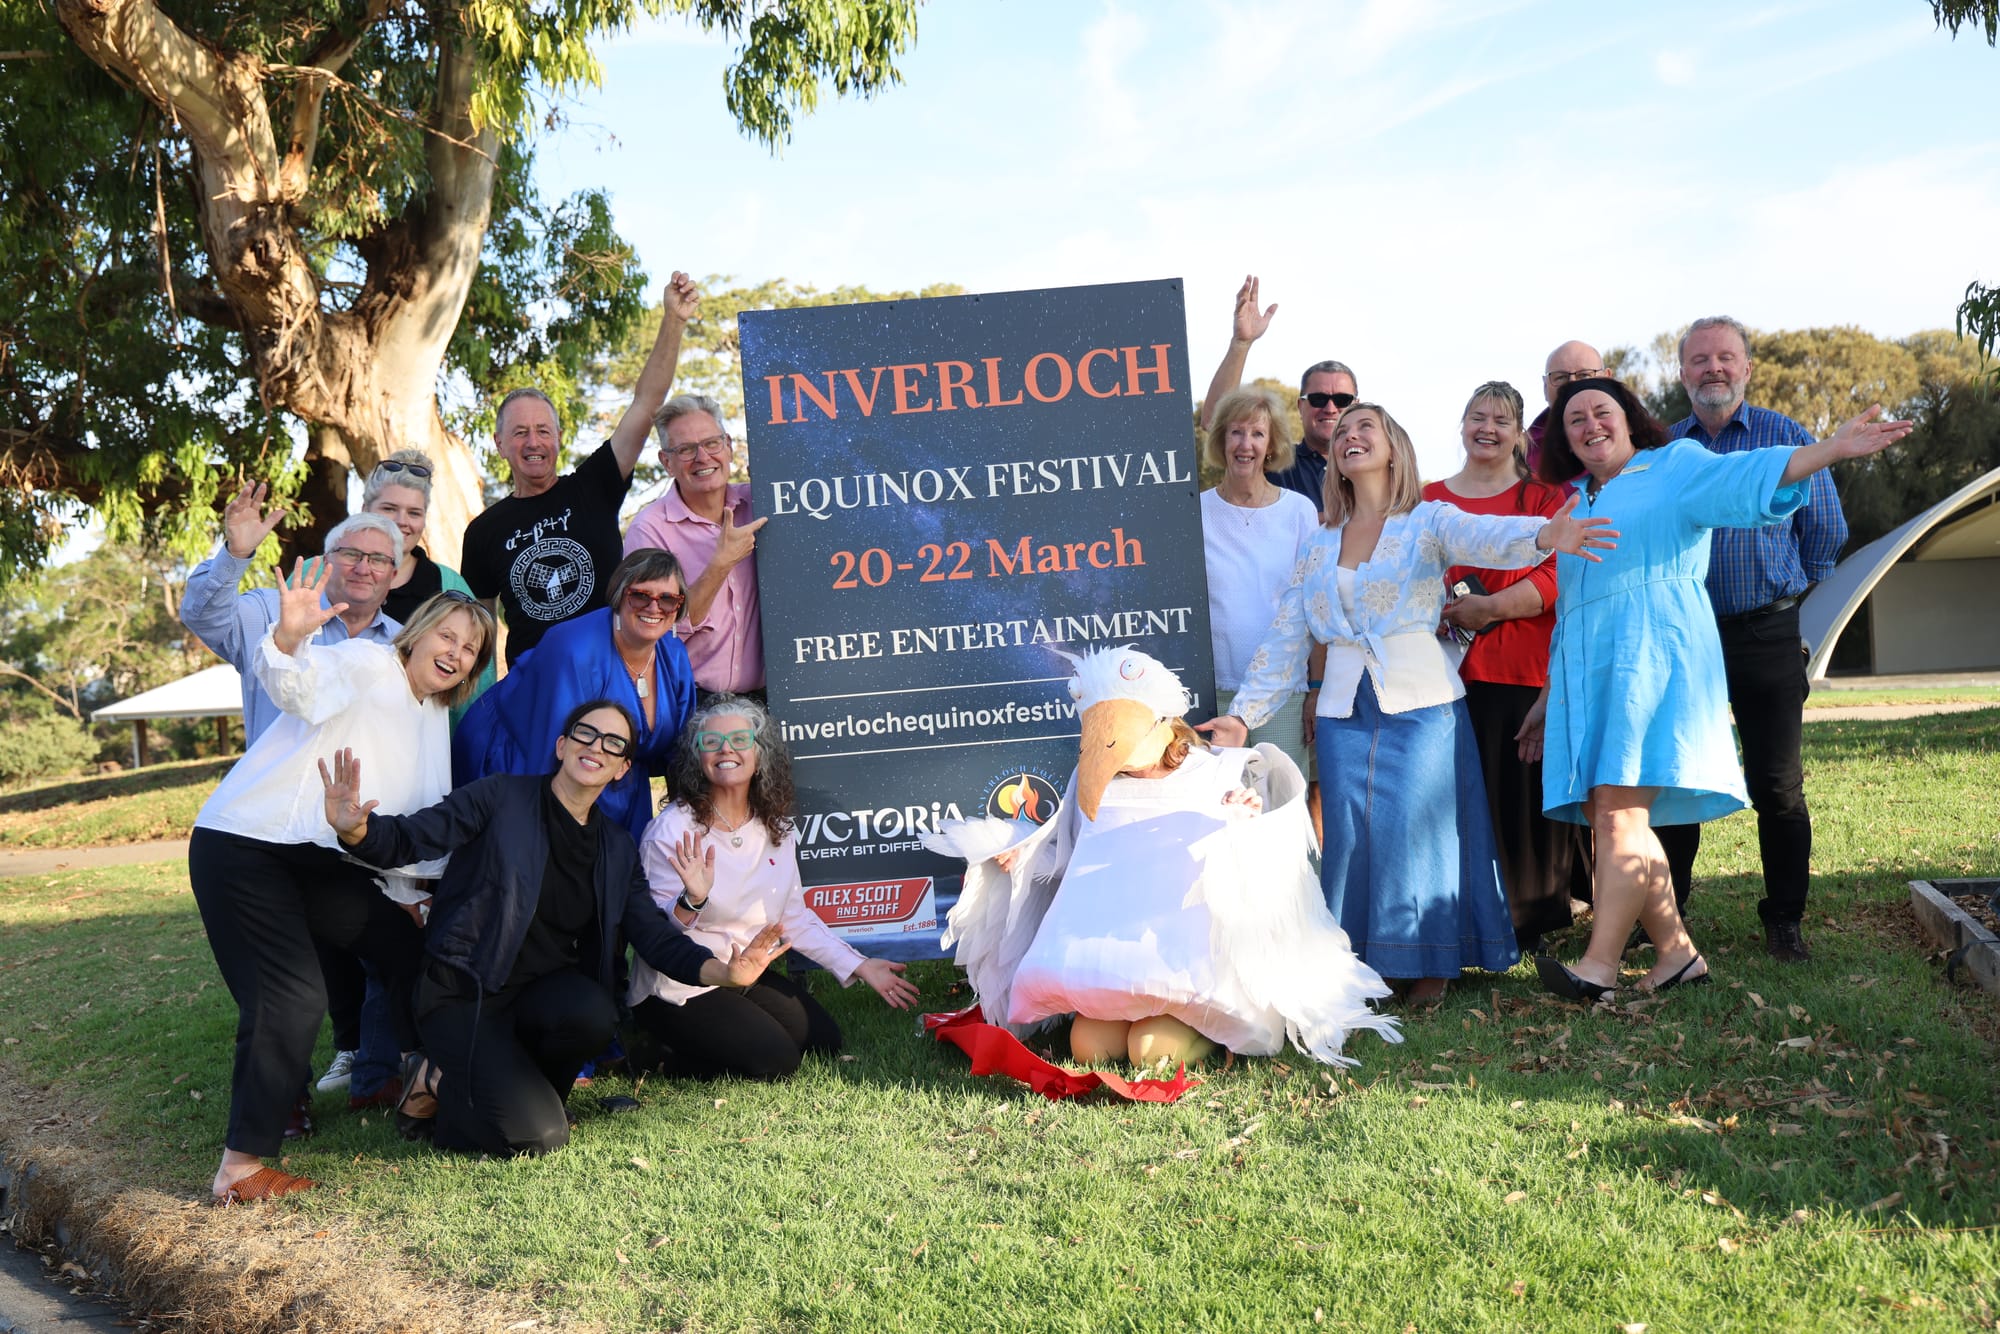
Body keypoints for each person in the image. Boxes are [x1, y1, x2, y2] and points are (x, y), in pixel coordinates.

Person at [1204, 404, 1615, 1007]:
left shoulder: (1427, 520)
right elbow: (1287, 634)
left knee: (1418, 836)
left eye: (1364, 427)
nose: (1350, 436)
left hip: (1421, 702)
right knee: (1351, 834)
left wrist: (1544, 534)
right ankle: (1365, 960)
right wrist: (1244, 715)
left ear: (1393, 447)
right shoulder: (1318, 544)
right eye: (1342, 432)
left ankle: (1432, 964)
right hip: (1344, 708)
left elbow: (1485, 535)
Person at [1520, 377, 1909, 999]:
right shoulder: (1574, 500)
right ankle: (1676, 955)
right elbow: (1572, 605)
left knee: (1619, 814)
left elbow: (1747, 476)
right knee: (1614, 816)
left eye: (1602, 412)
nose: (1590, 425)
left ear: (1629, 418)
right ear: (1564, 438)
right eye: (1575, 420)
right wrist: (1546, 695)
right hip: (1587, 675)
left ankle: (1597, 968)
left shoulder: (1673, 466)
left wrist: (1830, 450)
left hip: (1653, 665)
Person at [319, 701, 790, 1158]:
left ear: (623, 768)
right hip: (466, 993)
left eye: (613, 743)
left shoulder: (616, 847)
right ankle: (439, 1081)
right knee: (539, 1139)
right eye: (586, 734)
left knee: (593, 1014)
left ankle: (472, 1085)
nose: (597, 747)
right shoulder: (499, 796)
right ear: (563, 745)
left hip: (543, 1000)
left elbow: (655, 936)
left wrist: (723, 974)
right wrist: (358, 832)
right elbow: (414, 836)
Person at [929, 647, 1401, 1076]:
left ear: (1163, 724)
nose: (1126, 765)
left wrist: (1245, 819)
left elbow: (1267, 871)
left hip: (1187, 970)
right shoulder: (1097, 783)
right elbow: (1074, 857)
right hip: (1114, 966)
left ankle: (1208, 1034)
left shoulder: (1219, 770)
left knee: (1152, 1052)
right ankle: (1136, 1014)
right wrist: (1023, 854)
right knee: (1088, 1047)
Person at [191, 570, 494, 1203]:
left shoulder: (431, 711)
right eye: (448, 635)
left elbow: (413, 816)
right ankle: (240, 1169)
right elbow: (299, 687)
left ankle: (427, 1087)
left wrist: (411, 899)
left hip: (327, 862)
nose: (456, 653)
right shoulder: (367, 662)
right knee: (291, 997)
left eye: (470, 649)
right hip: (250, 845)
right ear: (415, 635)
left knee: (411, 952)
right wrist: (288, 639)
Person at [1661, 316, 1849, 963]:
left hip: (1766, 632)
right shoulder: (1666, 448)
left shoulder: (1784, 436)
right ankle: (1667, 915)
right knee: (1677, 780)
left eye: (1725, 358)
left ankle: (1785, 919)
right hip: (1685, 639)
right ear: (1682, 372)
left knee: (1777, 785)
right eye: (1700, 360)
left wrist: (1790, 598)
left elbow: (1825, 529)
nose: (1713, 369)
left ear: (1746, 368)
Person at [629, 696, 918, 1078]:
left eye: (739, 739)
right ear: (697, 758)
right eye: (711, 743)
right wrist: (692, 899)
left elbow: (792, 919)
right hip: (683, 984)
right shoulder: (672, 831)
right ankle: (658, 1054)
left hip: (744, 971)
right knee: (776, 1060)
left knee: (823, 1039)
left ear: (760, 754)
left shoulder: (775, 827)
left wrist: (860, 965)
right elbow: (656, 938)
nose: (725, 749)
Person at [462, 272, 701, 664]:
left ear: (558, 436)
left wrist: (673, 320)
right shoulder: (483, 533)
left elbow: (646, 403)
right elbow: (476, 634)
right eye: (520, 432)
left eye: (543, 430)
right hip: (536, 685)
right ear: (500, 444)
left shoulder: (595, 485)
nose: (534, 442)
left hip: (612, 670)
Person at [1423, 382, 1580, 952]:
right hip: (1446, 674)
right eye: (1476, 417)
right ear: (1461, 425)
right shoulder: (1426, 497)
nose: (1487, 428)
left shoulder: (1544, 500)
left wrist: (1489, 609)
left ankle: (1530, 921)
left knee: (1521, 798)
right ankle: (1464, 918)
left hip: (1524, 670)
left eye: (1501, 419)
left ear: (1519, 434)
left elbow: (1558, 573)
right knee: (1462, 801)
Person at [452, 549, 697, 843]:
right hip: (524, 758)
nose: (654, 607)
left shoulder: (674, 656)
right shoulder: (572, 649)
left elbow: (680, 754)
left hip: (617, 779)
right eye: (640, 595)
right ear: (619, 595)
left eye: (668, 599)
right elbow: (550, 757)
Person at [181, 488, 401, 743]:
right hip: (275, 783)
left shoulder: (404, 644)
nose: (363, 568)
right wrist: (235, 554)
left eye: (378, 559)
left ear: (393, 575)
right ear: (326, 559)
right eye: (351, 554)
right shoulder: (268, 612)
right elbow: (202, 617)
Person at [1200, 386, 1320, 776]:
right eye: (1236, 432)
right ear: (1221, 440)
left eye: (1257, 433)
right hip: (1214, 687)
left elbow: (1315, 605)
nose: (1245, 444)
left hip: (1283, 691)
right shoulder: (1195, 511)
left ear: (1271, 445)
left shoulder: (1299, 511)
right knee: (1222, 806)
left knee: (1281, 806)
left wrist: (1316, 688)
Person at [623, 394, 768, 703]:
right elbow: (655, 626)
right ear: (667, 462)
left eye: (712, 443)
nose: (703, 458)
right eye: (686, 449)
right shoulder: (650, 530)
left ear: (728, 446)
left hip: (775, 698)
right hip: (691, 703)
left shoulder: (763, 504)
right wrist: (721, 564)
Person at [1198, 275, 1359, 510]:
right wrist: (1241, 344)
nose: (1330, 408)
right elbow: (1215, 421)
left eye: (1342, 400)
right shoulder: (1275, 461)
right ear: (1300, 406)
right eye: (1318, 399)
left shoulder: (1377, 467)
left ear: (1357, 405)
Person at [1525, 340, 1610, 465]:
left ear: (1607, 379)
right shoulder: (1520, 454)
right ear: (1545, 387)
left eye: (1584, 375)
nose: (1572, 384)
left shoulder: (1638, 442)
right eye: (1560, 377)